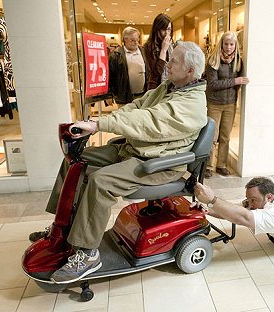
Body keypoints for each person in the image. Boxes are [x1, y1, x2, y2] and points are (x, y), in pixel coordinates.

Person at [30, 42, 208, 284]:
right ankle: (62, 228)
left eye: (174, 61)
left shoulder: (192, 105)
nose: (168, 63)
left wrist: (100, 126)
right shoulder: (169, 87)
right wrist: (94, 123)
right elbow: (136, 106)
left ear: (189, 71)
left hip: (160, 163)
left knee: (100, 182)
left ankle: (88, 254)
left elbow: (146, 120)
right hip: (137, 150)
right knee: (77, 159)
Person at [204, 31, 249, 178]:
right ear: (221, 44)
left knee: (225, 137)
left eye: (231, 44)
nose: (228, 47)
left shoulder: (238, 61)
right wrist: (235, 81)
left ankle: (221, 164)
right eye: (226, 44)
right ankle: (208, 166)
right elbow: (213, 84)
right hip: (214, 103)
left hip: (230, 103)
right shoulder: (213, 60)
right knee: (212, 136)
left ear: (235, 45)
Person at [108, 26, 149, 104]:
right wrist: (109, 95)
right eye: (132, 40)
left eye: (137, 40)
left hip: (143, 96)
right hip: (124, 98)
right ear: (124, 39)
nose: (136, 42)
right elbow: (110, 77)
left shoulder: (144, 51)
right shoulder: (116, 55)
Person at [144, 13, 174, 90]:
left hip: (170, 86)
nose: (167, 33)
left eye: (169, 29)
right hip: (156, 87)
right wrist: (163, 50)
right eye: (164, 29)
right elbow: (157, 73)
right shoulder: (149, 46)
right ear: (157, 29)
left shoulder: (171, 45)